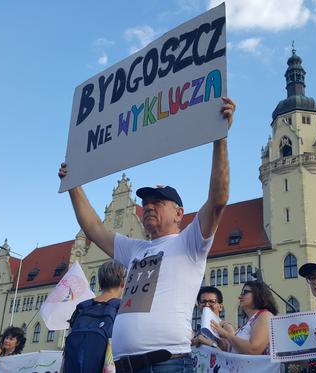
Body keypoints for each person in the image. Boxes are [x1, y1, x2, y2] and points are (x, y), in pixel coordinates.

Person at [59, 97, 235, 373]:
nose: (149, 206)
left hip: (168, 363)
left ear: (179, 213)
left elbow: (218, 199)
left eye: (158, 202)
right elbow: (93, 227)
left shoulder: (189, 242)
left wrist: (219, 139)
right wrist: (73, 185)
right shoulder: (135, 249)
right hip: (125, 365)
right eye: (145, 203)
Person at [63, 259, 126, 373]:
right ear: (122, 282)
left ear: (100, 283)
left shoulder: (81, 308)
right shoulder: (122, 309)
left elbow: (66, 353)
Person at [210, 281, 277, 355]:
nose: (239, 297)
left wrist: (226, 334)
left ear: (258, 294)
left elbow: (254, 349)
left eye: (245, 292)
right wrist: (215, 338)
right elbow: (232, 350)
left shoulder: (264, 316)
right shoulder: (250, 321)